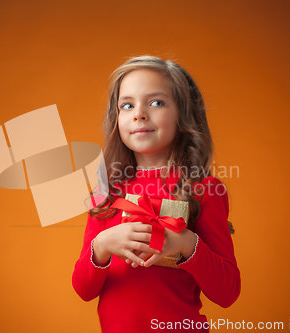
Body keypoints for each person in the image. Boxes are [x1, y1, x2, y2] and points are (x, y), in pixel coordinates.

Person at [72, 55, 241, 332]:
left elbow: (228, 292)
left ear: (183, 115)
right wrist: (101, 246)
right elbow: (84, 290)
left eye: (156, 102)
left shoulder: (204, 189)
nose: (139, 113)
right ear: (117, 119)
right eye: (127, 105)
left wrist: (187, 243)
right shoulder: (106, 191)